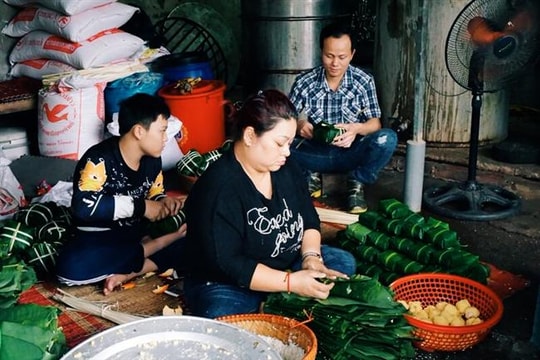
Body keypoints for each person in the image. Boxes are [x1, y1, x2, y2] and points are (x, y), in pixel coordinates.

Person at [181, 89, 356, 319]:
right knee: (222, 312)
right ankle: (277, 302)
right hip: (231, 281)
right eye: (280, 143)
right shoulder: (218, 189)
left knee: (343, 263)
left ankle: (274, 302)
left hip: (286, 264)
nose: (287, 152)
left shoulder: (284, 167)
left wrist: (311, 257)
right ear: (250, 136)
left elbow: (308, 216)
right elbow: (230, 263)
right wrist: (290, 283)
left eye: (290, 143)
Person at [55, 93, 187, 295]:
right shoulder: (99, 160)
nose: (165, 138)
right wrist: (141, 207)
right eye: (162, 131)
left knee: (196, 240)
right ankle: (156, 247)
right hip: (100, 239)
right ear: (139, 131)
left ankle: (130, 269)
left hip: (135, 234)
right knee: (70, 269)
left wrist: (164, 202)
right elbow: (83, 206)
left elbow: (156, 193)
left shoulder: (153, 160)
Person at [288, 22, 397, 214]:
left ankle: (357, 180)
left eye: (342, 57)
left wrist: (356, 129)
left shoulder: (363, 81)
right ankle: (310, 176)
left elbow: (375, 123)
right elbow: (284, 120)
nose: (335, 63)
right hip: (315, 153)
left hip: (351, 154)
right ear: (321, 51)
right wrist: (299, 124)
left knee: (387, 139)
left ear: (352, 54)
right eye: (329, 56)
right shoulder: (304, 82)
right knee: (275, 143)